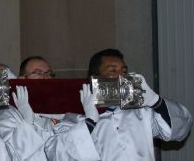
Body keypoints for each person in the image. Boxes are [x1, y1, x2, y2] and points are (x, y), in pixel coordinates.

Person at [45, 48, 193, 160]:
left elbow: (180, 129)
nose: (121, 76)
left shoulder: (141, 113)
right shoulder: (75, 118)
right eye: (113, 71)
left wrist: (156, 102)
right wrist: (89, 122)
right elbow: (56, 154)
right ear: (94, 78)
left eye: (124, 71)